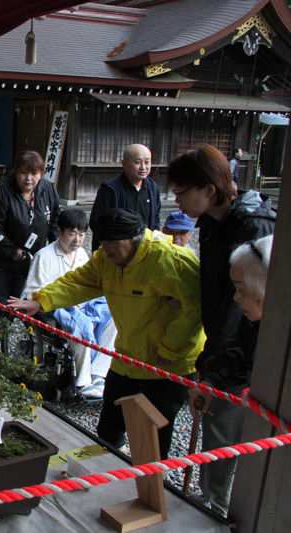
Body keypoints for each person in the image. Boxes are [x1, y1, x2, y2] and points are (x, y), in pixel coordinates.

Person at [9, 209, 205, 458]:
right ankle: (111, 472)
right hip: (127, 357)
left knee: (154, 436)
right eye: (104, 246)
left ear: (134, 240)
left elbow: (194, 312)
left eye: (113, 248)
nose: (107, 253)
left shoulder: (171, 261)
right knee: (108, 429)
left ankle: (151, 489)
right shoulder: (106, 259)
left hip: (167, 364)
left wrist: (170, 350)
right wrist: (41, 301)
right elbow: (79, 281)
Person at [167, 144, 275, 516]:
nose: (176, 201)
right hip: (223, 346)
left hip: (248, 355)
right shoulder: (213, 222)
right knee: (217, 429)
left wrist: (214, 370)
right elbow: (216, 297)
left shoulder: (254, 227)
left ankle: (226, 509)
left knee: (234, 434)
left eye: (181, 192)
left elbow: (241, 310)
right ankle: (213, 501)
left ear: (208, 190)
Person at [18, 209, 114, 398]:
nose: (77, 240)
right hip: (56, 309)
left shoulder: (82, 255)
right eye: (72, 233)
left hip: (84, 305)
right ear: (59, 231)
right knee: (80, 327)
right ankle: (83, 381)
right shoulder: (44, 256)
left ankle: (98, 374)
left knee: (113, 321)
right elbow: (32, 292)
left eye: (81, 234)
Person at [0, 150, 59, 326]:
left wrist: (56, 248)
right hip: (2, 262)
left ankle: (31, 347)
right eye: (24, 173)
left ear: (41, 174)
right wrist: (13, 251)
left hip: (34, 259)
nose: (29, 178)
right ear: (16, 172)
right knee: (1, 306)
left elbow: (55, 218)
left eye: (34, 173)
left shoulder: (47, 189)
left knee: (31, 301)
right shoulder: (1, 195)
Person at [89, 144, 161, 250]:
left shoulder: (153, 187)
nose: (143, 167)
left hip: (144, 249)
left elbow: (156, 220)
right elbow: (96, 222)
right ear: (124, 164)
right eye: (137, 162)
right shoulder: (110, 189)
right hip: (117, 251)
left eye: (147, 162)